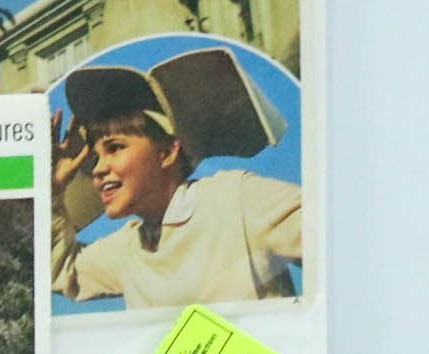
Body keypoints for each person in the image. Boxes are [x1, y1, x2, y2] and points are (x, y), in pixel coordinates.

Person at [52, 63, 301, 308]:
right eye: (96, 158)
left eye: (115, 148)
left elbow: (324, 234)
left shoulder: (235, 199)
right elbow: (61, 269)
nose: (98, 169)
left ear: (167, 152)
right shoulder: (127, 247)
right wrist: (51, 193)